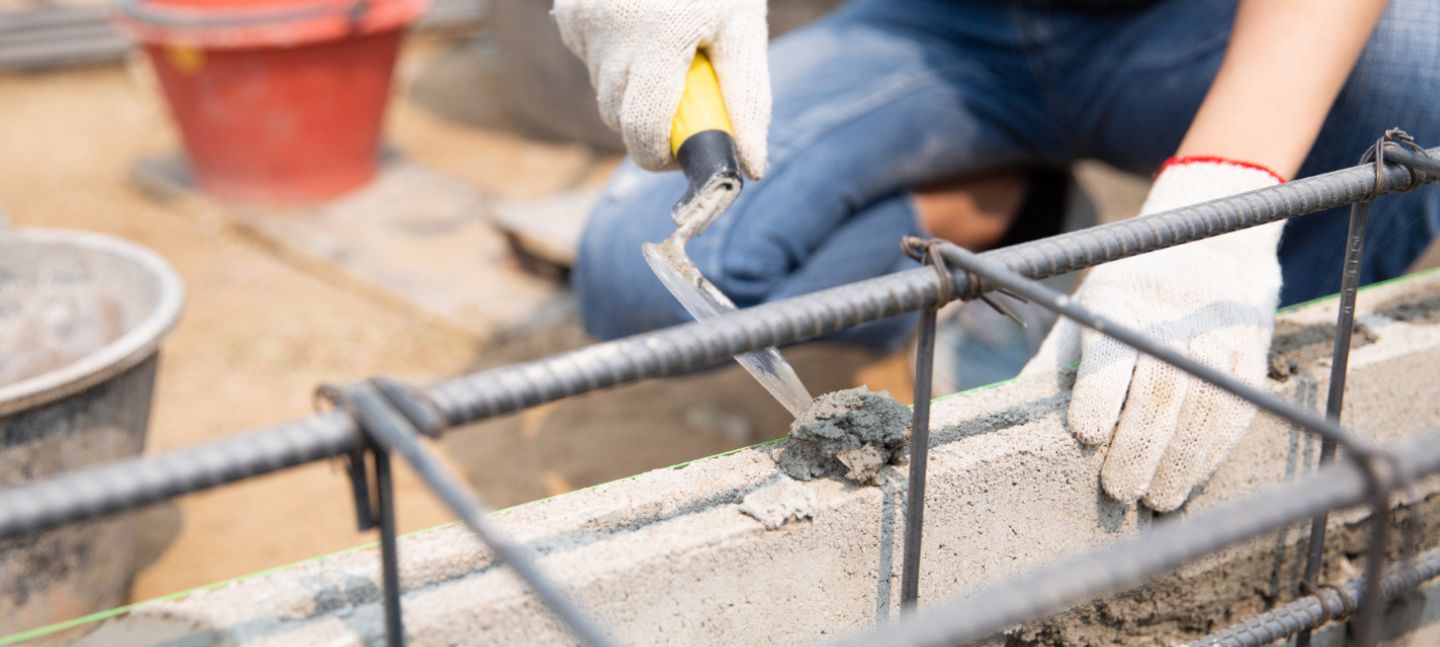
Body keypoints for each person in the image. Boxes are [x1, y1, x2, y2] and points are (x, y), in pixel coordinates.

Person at [551, 0, 1439, 512]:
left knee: (1422, 55)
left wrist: (1224, 194)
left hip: (1190, 30)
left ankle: (1231, 446)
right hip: (944, 30)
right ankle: (1011, 214)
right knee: (633, 278)